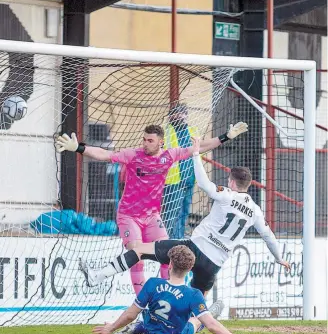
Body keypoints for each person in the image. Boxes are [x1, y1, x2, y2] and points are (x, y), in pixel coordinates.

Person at [79, 137, 291, 298]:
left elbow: (204, 184)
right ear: (249, 186)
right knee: (198, 300)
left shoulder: (227, 194)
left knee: (139, 250)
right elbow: (269, 236)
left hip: (195, 248)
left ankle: (98, 275)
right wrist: (279, 258)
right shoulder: (255, 210)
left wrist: (196, 154)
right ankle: (194, 325)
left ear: (232, 182)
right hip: (215, 263)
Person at [56, 122, 248, 295]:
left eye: (150, 140)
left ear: (160, 143)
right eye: (144, 139)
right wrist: (79, 148)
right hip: (129, 216)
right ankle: (141, 303)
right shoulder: (133, 155)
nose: (145, 143)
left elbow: (200, 147)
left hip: (151, 217)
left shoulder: (169, 155)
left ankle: (167, 296)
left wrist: (226, 136)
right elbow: (105, 154)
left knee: (171, 255)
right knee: (136, 255)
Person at [92, 245, 263, 334]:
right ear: (190, 269)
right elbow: (212, 326)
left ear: (170, 264)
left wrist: (112, 326)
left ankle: (134, 329)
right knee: (197, 321)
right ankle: (210, 311)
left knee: (142, 322)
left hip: (150, 329)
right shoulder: (194, 294)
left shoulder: (152, 283)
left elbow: (131, 313)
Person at [162, 103, 196, 239]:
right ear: (171, 116)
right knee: (172, 215)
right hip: (173, 181)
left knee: (184, 214)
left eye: (182, 113)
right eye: (176, 113)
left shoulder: (193, 130)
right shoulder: (165, 132)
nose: (179, 116)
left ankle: (180, 240)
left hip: (189, 179)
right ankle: (172, 242)